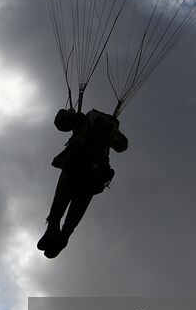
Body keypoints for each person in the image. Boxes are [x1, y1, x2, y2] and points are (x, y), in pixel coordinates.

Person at [37, 107, 128, 258]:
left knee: (60, 204)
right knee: (75, 211)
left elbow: (60, 123)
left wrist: (69, 113)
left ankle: (54, 230)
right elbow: (122, 146)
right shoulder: (109, 132)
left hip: (75, 169)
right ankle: (62, 236)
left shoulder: (83, 120)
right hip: (92, 177)